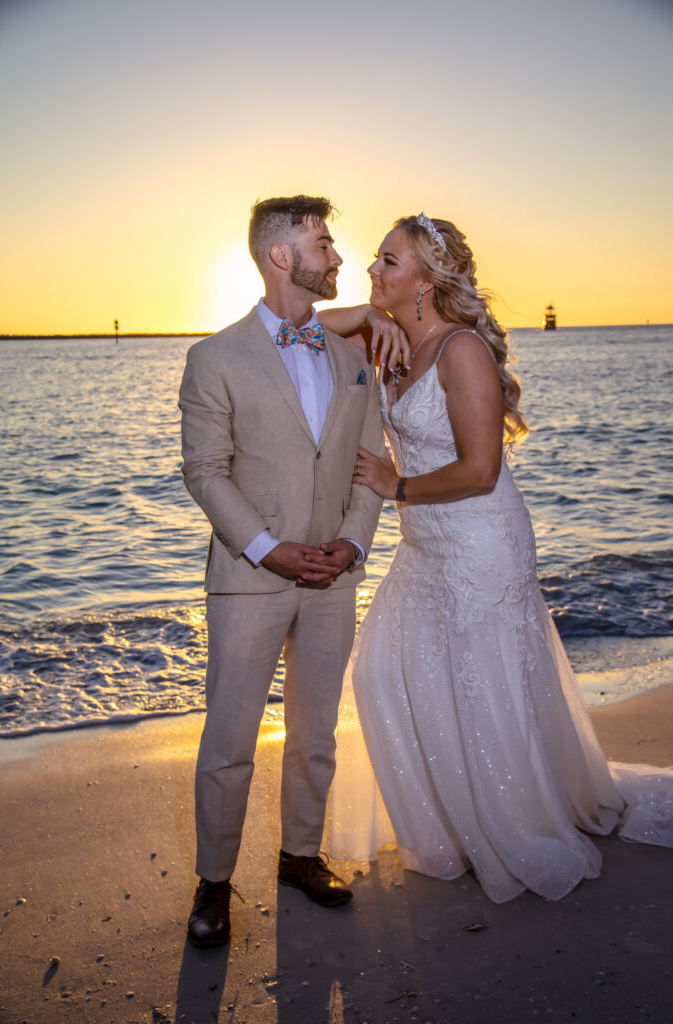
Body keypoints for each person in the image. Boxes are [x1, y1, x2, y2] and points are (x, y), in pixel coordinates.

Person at [320, 214, 673, 903]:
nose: (372, 270)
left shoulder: (461, 352)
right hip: (426, 541)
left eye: (387, 263)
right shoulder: (379, 336)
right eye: (375, 260)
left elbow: (481, 469)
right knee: (384, 670)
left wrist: (395, 486)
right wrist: (367, 311)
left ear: (425, 281)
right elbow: (296, 332)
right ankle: (447, 823)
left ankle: (510, 820)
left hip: (479, 536)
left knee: (481, 677)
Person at [178, 195, 386, 946]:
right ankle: (213, 884)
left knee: (316, 731)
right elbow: (204, 472)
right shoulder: (214, 358)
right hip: (249, 579)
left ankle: (301, 856)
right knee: (229, 738)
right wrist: (267, 547)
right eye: (323, 244)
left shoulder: (354, 357)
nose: (336, 258)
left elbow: (370, 469)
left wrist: (353, 546)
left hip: (333, 579)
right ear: (280, 256)